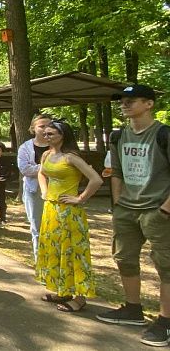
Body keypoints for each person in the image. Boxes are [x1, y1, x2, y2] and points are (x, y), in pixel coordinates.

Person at [96, 84, 170, 347]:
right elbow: (116, 171)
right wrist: (118, 205)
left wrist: (165, 209)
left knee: (166, 266)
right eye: (122, 101)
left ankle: (165, 321)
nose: (124, 105)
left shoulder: (163, 134)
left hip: (157, 210)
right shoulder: (118, 136)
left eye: (131, 100)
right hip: (126, 210)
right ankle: (132, 309)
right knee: (125, 258)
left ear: (149, 104)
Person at [36, 120, 102, 313]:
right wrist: (44, 191)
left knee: (72, 252)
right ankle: (62, 290)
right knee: (55, 250)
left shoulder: (71, 157)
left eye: (51, 134)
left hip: (69, 212)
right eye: (45, 134)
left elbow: (96, 179)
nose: (47, 137)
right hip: (51, 210)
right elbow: (41, 173)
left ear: (63, 136)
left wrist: (80, 198)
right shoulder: (47, 154)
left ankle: (80, 298)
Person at [17, 114, 53, 260]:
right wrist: (48, 167)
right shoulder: (25, 147)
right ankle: (40, 260)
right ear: (33, 128)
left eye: (49, 126)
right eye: (41, 126)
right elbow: (25, 169)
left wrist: (39, 168)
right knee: (37, 227)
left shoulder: (57, 144)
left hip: (56, 189)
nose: (45, 129)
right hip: (34, 191)